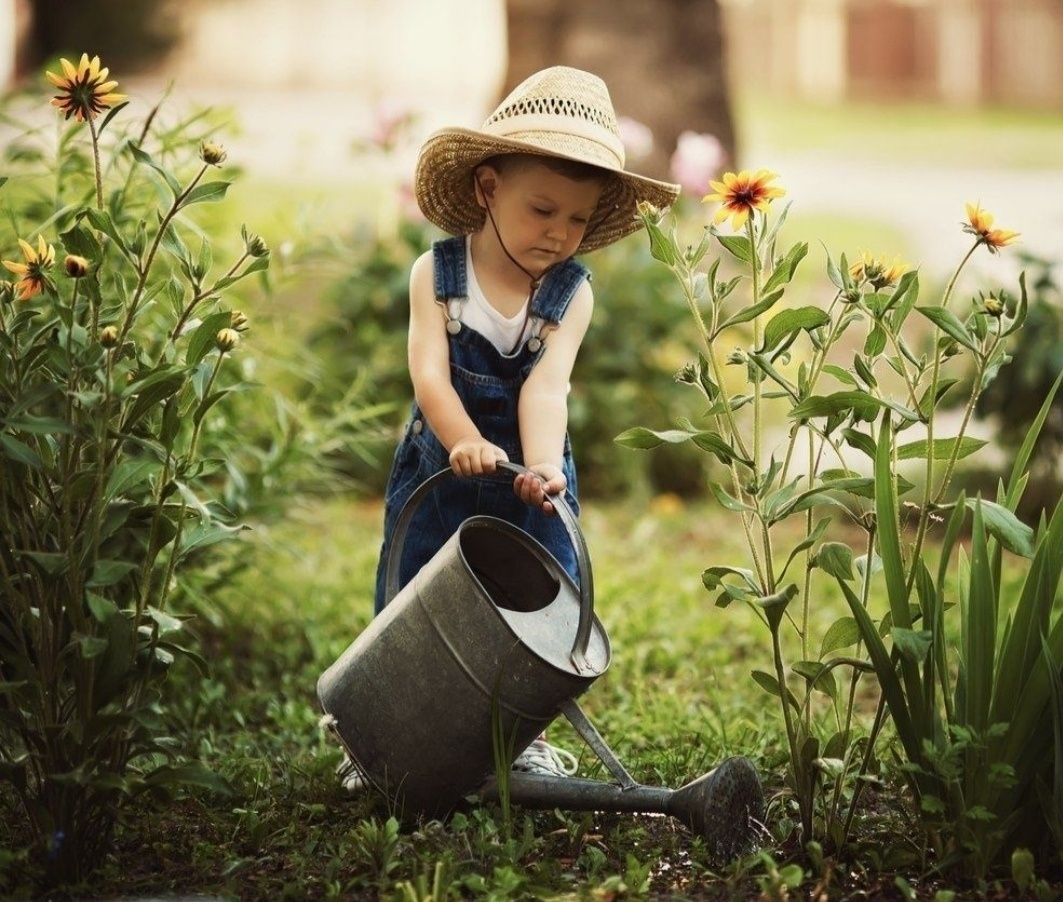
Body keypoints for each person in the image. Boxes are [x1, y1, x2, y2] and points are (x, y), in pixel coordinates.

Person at [338, 66, 679, 792]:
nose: (558, 235)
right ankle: (379, 731)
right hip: (442, 462)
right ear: (488, 189)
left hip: (529, 469)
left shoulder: (569, 293)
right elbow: (429, 374)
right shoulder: (435, 275)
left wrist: (541, 465)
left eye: (577, 221)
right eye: (541, 210)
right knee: (412, 591)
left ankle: (518, 739)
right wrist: (462, 437)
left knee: (539, 598)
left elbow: (545, 387)